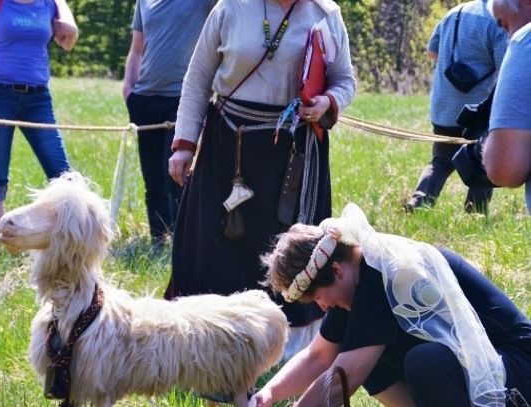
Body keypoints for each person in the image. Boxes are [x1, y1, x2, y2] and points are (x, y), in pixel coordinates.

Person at [166, 0, 356, 357]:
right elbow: (198, 79)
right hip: (228, 146)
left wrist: (328, 102)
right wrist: (184, 145)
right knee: (215, 247)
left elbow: (345, 80)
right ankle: (206, 345)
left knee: (290, 251)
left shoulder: (325, 13)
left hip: (293, 154)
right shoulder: (230, 8)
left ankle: (285, 350)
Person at [253, 203, 531, 407]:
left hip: (515, 367)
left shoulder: (382, 272)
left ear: (336, 270)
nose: (323, 307)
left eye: (317, 298)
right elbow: (319, 356)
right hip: (490, 365)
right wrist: (267, 395)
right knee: (368, 357)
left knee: (421, 362)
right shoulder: (354, 283)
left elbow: (346, 375)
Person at [122, 0, 217, 246]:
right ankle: (158, 240)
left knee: (176, 176)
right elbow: (137, 49)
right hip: (143, 100)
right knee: (153, 179)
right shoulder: (144, 2)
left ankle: (183, 241)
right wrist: (128, 89)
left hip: (182, 99)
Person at [405, 0, 507, 214]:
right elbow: (504, 66)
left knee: (441, 160)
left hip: (444, 105)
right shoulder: (497, 19)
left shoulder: (453, 13)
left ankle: (420, 202)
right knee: (482, 161)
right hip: (477, 110)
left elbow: (432, 52)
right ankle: (475, 212)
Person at [0, 0, 78, 230]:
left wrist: (69, 24)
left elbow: (68, 41)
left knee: (62, 172)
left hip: (38, 99)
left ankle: (72, 233)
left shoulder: (49, 4)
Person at [483, 0, 531, 214]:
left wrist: (486, 145)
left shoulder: (526, 41)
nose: (509, 35)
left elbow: (505, 169)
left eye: (505, 25)